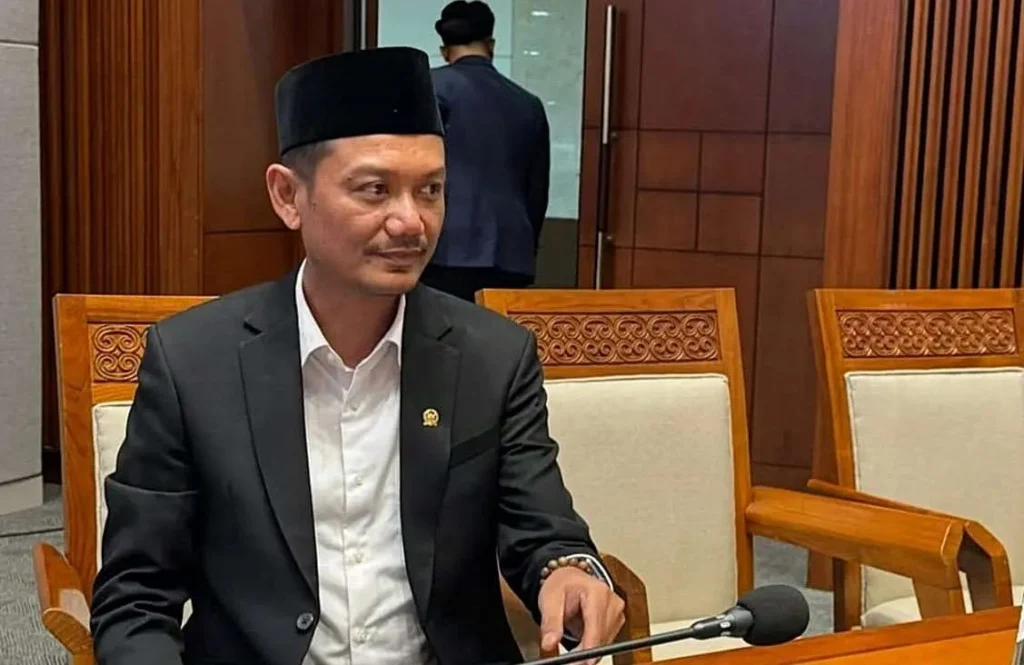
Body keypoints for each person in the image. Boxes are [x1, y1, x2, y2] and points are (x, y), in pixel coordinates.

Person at [89, 46, 623, 665]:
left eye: (431, 190)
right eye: (375, 190)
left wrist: (571, 572)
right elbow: (136, 596)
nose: (410, 222)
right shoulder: (192, 362)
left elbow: (544, 530)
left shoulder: (494, 357)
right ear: (288, 196)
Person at [420, 0, 550, 302]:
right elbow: (537, 191)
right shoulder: (528, 103)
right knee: (496, 332)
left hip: (444, 247)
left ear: (444, 50)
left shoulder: (429, 87)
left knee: (440, 329)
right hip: (511, 252)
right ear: (490, 45)